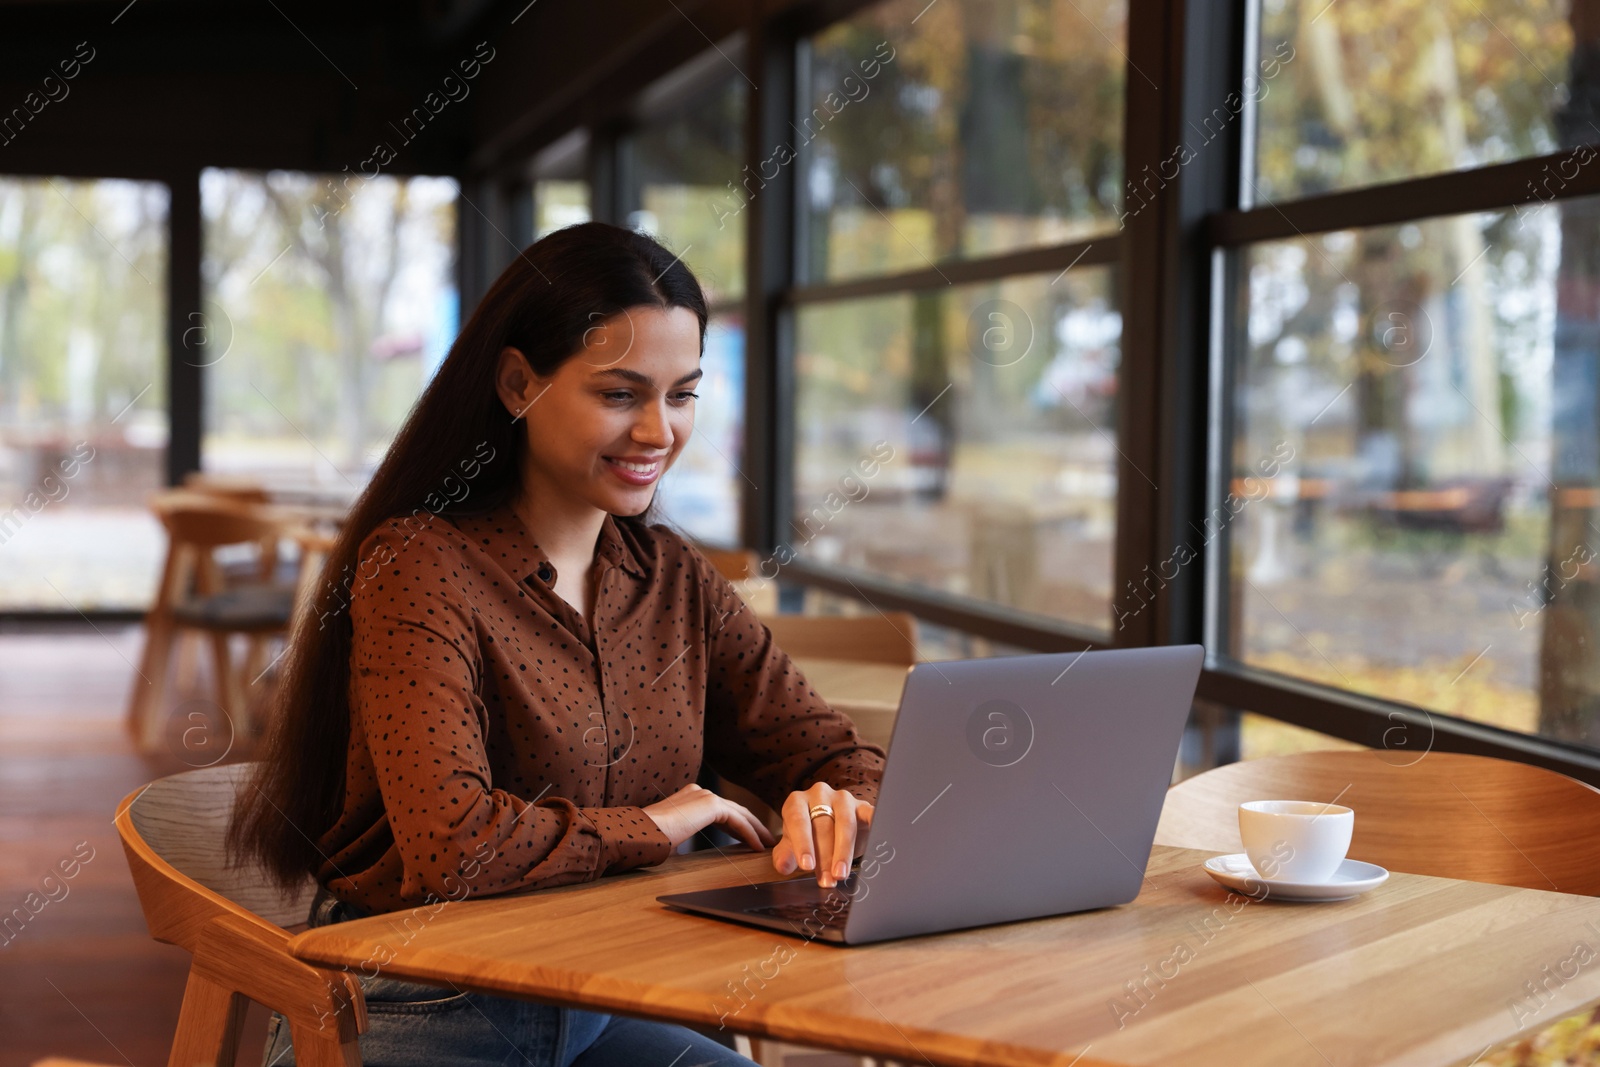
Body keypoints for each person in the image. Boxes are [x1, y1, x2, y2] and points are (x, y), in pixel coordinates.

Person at [228, 221, 886, 1067]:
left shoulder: (677, 579)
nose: (658, 431)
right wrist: (658, 822)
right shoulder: (419, 562)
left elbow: (833, 752)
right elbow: (453, 847)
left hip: (601, 1004)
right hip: (417, 1008)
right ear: (517, 385)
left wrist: (832, 806)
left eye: (682, 394)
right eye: (620, 394)